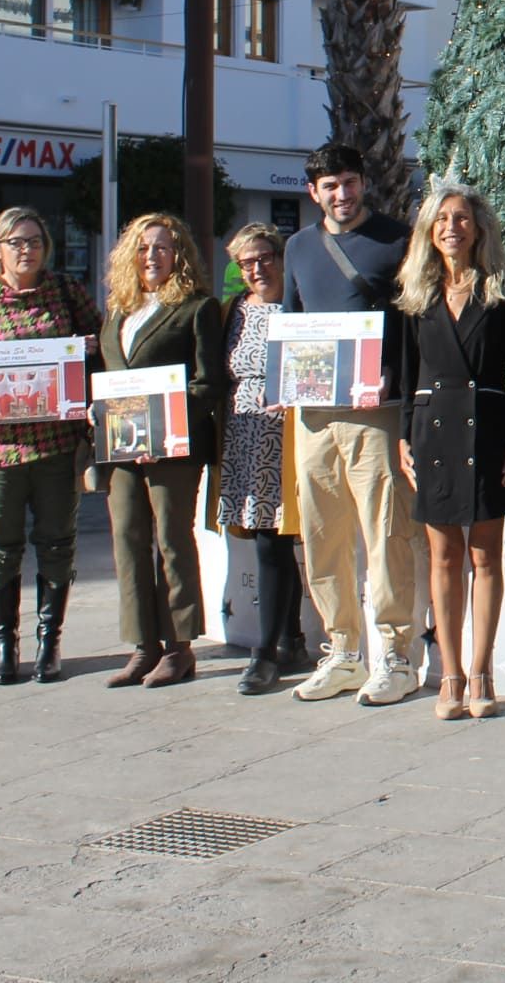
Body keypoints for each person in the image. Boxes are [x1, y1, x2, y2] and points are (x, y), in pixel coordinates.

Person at [281, 142, 422, 707]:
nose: (342, 195)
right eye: (330, 186)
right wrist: (282, 380)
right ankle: (342, 650)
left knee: (386, 533)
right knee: (323, 537)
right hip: (314, 417)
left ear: (364, 183)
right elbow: (291, 323)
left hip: (376, 416)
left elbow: (414, 323)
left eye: (349, 182)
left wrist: (395, 377)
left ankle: (395, 654)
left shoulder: (397, 240)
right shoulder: (296, 247)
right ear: (314, 193)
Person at [0, 208, 102, 686]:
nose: (26, 249)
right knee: (0, 548)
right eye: (16, 242)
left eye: (34, 241)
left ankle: (48, 641)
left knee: (57, 543)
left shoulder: (66, 294)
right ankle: (4, 644)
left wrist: (90, 350)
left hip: (55, 446)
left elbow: (105, 348)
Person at [393, 184, 505, 721]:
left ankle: (482, 673)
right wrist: (404, 436)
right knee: (445, 557)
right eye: (443, 219)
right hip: (432, 435)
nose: (453, 227)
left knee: (484, 556)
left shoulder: (504, 290)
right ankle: (449, 674)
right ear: (430, 230)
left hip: (490, 432)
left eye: (463, 219)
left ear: (478, 229)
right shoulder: (414, 295)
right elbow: (407, 378)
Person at [94, 213, 225, 688]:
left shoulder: (197, 308)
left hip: (173, 446)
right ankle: (141, 645)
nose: (153, 256)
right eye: (145, 248)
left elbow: (209, 382)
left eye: (164, 248)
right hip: (123, 447)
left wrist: (164, 417)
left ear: (180, 256)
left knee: (172, 541)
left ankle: (179, 646)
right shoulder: (117, 311)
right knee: (127, 541)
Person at [215, 223, 312, 694]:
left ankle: (266, 651)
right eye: (246, 262)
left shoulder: (299, 304)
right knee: (263, 537)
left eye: (264, 257)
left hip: (289, 432)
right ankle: (290, 637)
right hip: (243, 433)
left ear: (280, 256)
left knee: (275, 541)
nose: (257, 268)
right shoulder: (233, 309)